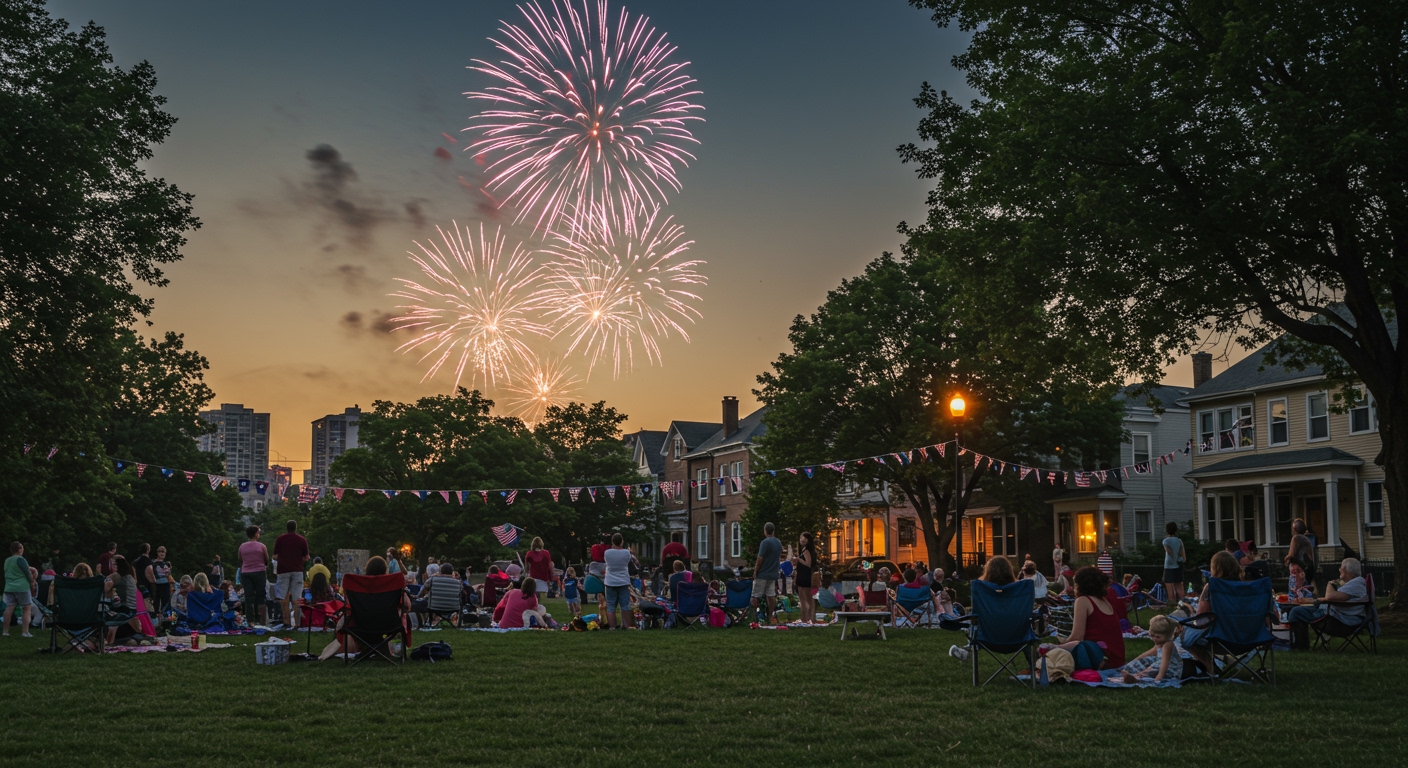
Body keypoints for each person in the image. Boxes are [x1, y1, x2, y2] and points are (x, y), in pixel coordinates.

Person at [318, 556, 411, 661]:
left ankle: (367, 650)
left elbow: (348, 606)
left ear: (367, 569)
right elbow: (407, 606)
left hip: (360, 625)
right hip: (390, 625)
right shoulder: (393, 583)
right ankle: (381, 649)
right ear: (385, 570)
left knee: (346, 620)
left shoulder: (357, 584)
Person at [1177, 550, 1246, 671]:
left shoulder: (1212, 587)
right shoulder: (1250, 588)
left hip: (1221, 638)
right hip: (1251, 638)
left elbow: (1201, 618)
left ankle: (1211, 667)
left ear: (1215, 568)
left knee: (1185, 636)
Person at [1052, 565, 1125, 670]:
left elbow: (1077, 637)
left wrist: (1058, 647)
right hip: (1117, 659)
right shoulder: (1104, 601)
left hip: (1098, 657)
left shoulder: (1083, 601)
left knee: (1053, 654)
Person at [1288, 557, 1368, 628]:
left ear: (1348, 570)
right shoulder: (1354, 583)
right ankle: (1300, 642)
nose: (1339, 569)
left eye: (1342, 567)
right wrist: (1312, 601)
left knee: (1296, 611)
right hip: (1338, 615)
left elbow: (1330, 597)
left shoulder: (1356, 583)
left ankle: (1296, 643)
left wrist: (1330, 583)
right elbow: (1334, 598)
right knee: (1299, 609)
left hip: (1339, 620)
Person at [1119, 614, 1183, 684]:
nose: (1154, 639)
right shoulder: (1159, 643)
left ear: (1167, 636)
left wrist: (1159, 678)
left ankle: (1137, 678)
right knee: (1146, 660)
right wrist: (1134, 661)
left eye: (1158, 637)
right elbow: (1149, 653)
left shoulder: (1168, 644)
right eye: (1152, 635)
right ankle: (1131, 671)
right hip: (1159, 663)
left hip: (1170, 669)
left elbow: (1165, 663)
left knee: (1154, 667)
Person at [272, 520, 310, 629]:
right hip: (297, 570)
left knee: (283, 597)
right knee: (297, 597)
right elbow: (306, 557)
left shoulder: (280, 539)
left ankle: (286, 621)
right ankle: (297, 624)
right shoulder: (302, 540)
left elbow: (275, 556)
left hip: (283, 570)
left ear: (287, 527)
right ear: (296, 527)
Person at [750, 523, 783, 625]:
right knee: (771, 596)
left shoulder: (765, 543)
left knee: (755, 596)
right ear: (773, 531)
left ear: (765, 531)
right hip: (773, 574)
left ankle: (754, 617)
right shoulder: (778, 542)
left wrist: (756, 571)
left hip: (763, 574)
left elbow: (760, 559)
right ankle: (770, 616)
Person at [3, 541, 37, 638]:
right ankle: (25, 631)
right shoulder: (21, 560)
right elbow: (26, 573)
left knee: (9, 607)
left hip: (9, 587)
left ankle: (5, 631)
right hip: (21, 587)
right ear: (19, 549)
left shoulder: (7, 560)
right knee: (26, 608)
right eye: (22, 548)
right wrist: (32, 582)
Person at [238, 525, 270, 626]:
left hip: (246, 572)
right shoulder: (261, 546)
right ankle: (260, 619)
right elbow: (266, 559)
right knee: (260, 595)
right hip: (259, 572)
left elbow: (240, 559)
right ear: (256, 534)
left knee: (248, 596)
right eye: (258, 532)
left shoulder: (242, 546)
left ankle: (250, 620)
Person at [603, 533, 633, 630]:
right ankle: (626, 625)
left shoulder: (607, 553)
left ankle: (612, 626)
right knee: (625, 605)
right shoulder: (626, 553)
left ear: (612, 542)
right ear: (622, 541)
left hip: (610, 581)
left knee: (611, 606)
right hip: (623, 580)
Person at [1284, 518, 1317, 586]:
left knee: (1296, 592)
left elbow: (1291, 554)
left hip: (1300, 570)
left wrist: (1285, 559)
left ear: (1294, 529)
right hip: (1308, 568)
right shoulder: (1305, 539)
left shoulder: (1296, 538)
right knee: (1305, 590)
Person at [795, 531, 817, 625]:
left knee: (804, 598)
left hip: (804, 575)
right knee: (806, 597)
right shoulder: (803, 550)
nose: (802, 540)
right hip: (803, 574)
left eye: (804, 539)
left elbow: (808, 564)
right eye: (801, 538)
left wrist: (798, 559)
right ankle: (808, 617)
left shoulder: (806, 551)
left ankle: (805, 618)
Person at [1161, 521, 1186, 602]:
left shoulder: (1165, 541)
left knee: (1169, 585)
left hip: (1168, 565)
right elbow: (1183, 556)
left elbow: (1169, 552)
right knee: (1179, 585)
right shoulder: (1179, 541)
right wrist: (1179, 559)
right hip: (1178, 565)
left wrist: (1173, 556)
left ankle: (1171, 603)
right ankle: (1182, 603)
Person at [586, 537, 609, 614]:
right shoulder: (610, 550)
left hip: (596, 574)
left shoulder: (595, 548)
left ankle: (602, 612)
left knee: (600, 595)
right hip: (607, 575)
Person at [151, 546, 173, 614]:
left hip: (165, 584)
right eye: (160, 551)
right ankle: (156, 617)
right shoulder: (154, 562)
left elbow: (168, 574)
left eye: (163, 552)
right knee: (156, 602)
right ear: (157, 553)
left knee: (166, 602)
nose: (161, 553)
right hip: (157, 584)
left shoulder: (166, 563)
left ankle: (168, 618)